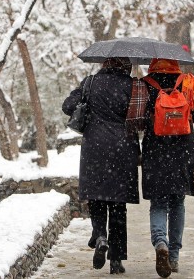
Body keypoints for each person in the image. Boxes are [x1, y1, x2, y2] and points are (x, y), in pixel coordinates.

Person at [62, 57, 140, 274]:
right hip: (123, 148)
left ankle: (100, 236)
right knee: (118, 205)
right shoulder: (132, 86)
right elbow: (141, 117)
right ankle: (116, 260)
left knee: (97, 198)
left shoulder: (90, 82)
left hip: (94, 148)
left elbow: (67, 106)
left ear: (105, 63)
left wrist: (83, 101)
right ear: (126, 66)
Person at [141, 58, 194, 278]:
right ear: (175, 63)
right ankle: (173, 256)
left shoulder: (146, 84)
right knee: (177, 202)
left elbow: (139, 120)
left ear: (154, 63)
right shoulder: (189, 83)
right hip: (183, 149)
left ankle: (160, 242)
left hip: (155, 148)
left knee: (158, 201)